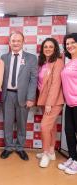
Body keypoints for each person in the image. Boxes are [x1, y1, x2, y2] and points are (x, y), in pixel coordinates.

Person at [0, 31, 38, 161]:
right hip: (7, 95)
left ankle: (20, 147)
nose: (15, 43)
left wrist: (31, 97)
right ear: (9, 43)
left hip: (24, 97)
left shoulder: (31, 58)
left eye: (18, 41)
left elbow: (34, 79)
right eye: (13, 41)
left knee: (22, 123)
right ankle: (8, 147)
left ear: (23, 42)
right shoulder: (3, 58)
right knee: (7, 123)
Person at [36, 38, 64, 168]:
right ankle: (52, 151)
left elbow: (55, 84)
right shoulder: (42, 63)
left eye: (50, 47)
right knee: (51, 127)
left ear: (55, 49)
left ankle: (46, 153)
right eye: (45, 46)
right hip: (43, 99)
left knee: (44, 127)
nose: (47, 49)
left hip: (53, 101)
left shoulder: (58, 62)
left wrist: (49, 103)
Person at [59, 33, 77, 175]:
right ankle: (73, 157)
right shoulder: (70, 62)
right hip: (69, 103)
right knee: (69, 132)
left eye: (73, 43)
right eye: (67, 44)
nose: (70, 46)